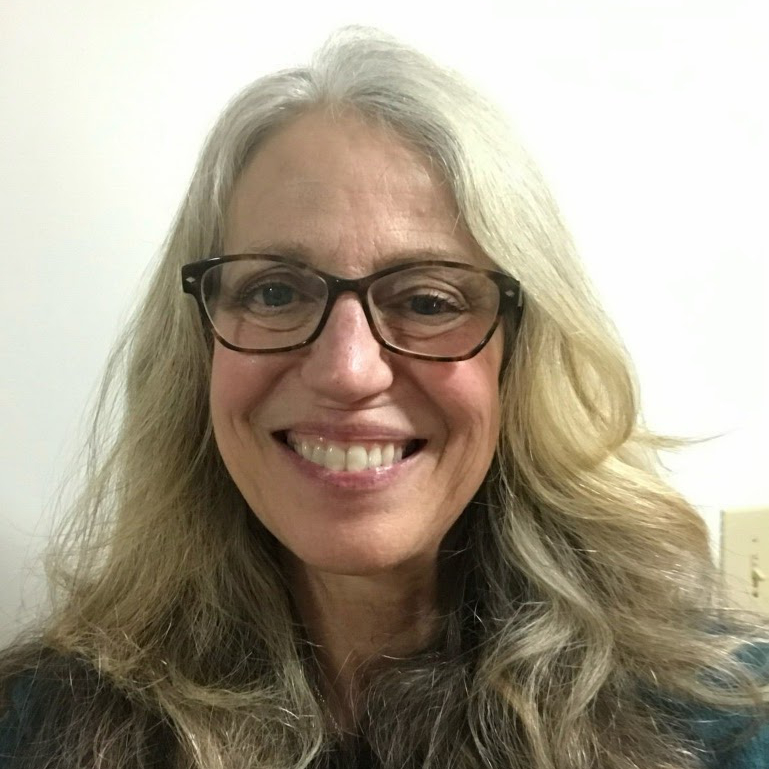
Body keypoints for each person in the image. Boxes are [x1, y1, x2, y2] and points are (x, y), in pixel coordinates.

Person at [1, 26, 767, 769]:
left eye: (429, 300)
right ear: (196, 351)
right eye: (274, 290)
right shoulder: (37, 725)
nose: (348, 370)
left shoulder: (724, 720)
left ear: (519, 357)